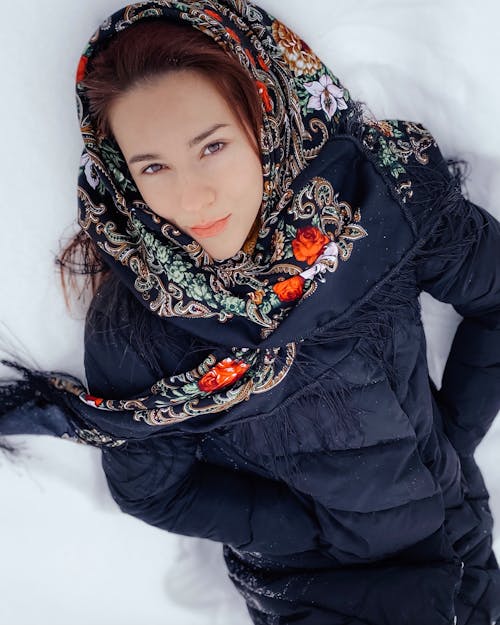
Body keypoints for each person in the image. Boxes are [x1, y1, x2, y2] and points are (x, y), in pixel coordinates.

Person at [1, 1, 499, 623]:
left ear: (266, 118)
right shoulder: (141, 322)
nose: (191, 196)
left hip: (459, 542)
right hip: (315, 593)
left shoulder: (378, 204)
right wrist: (304, 531)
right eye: (152, 166)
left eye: (212, 147)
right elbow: (151, 488)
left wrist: (454, 438)